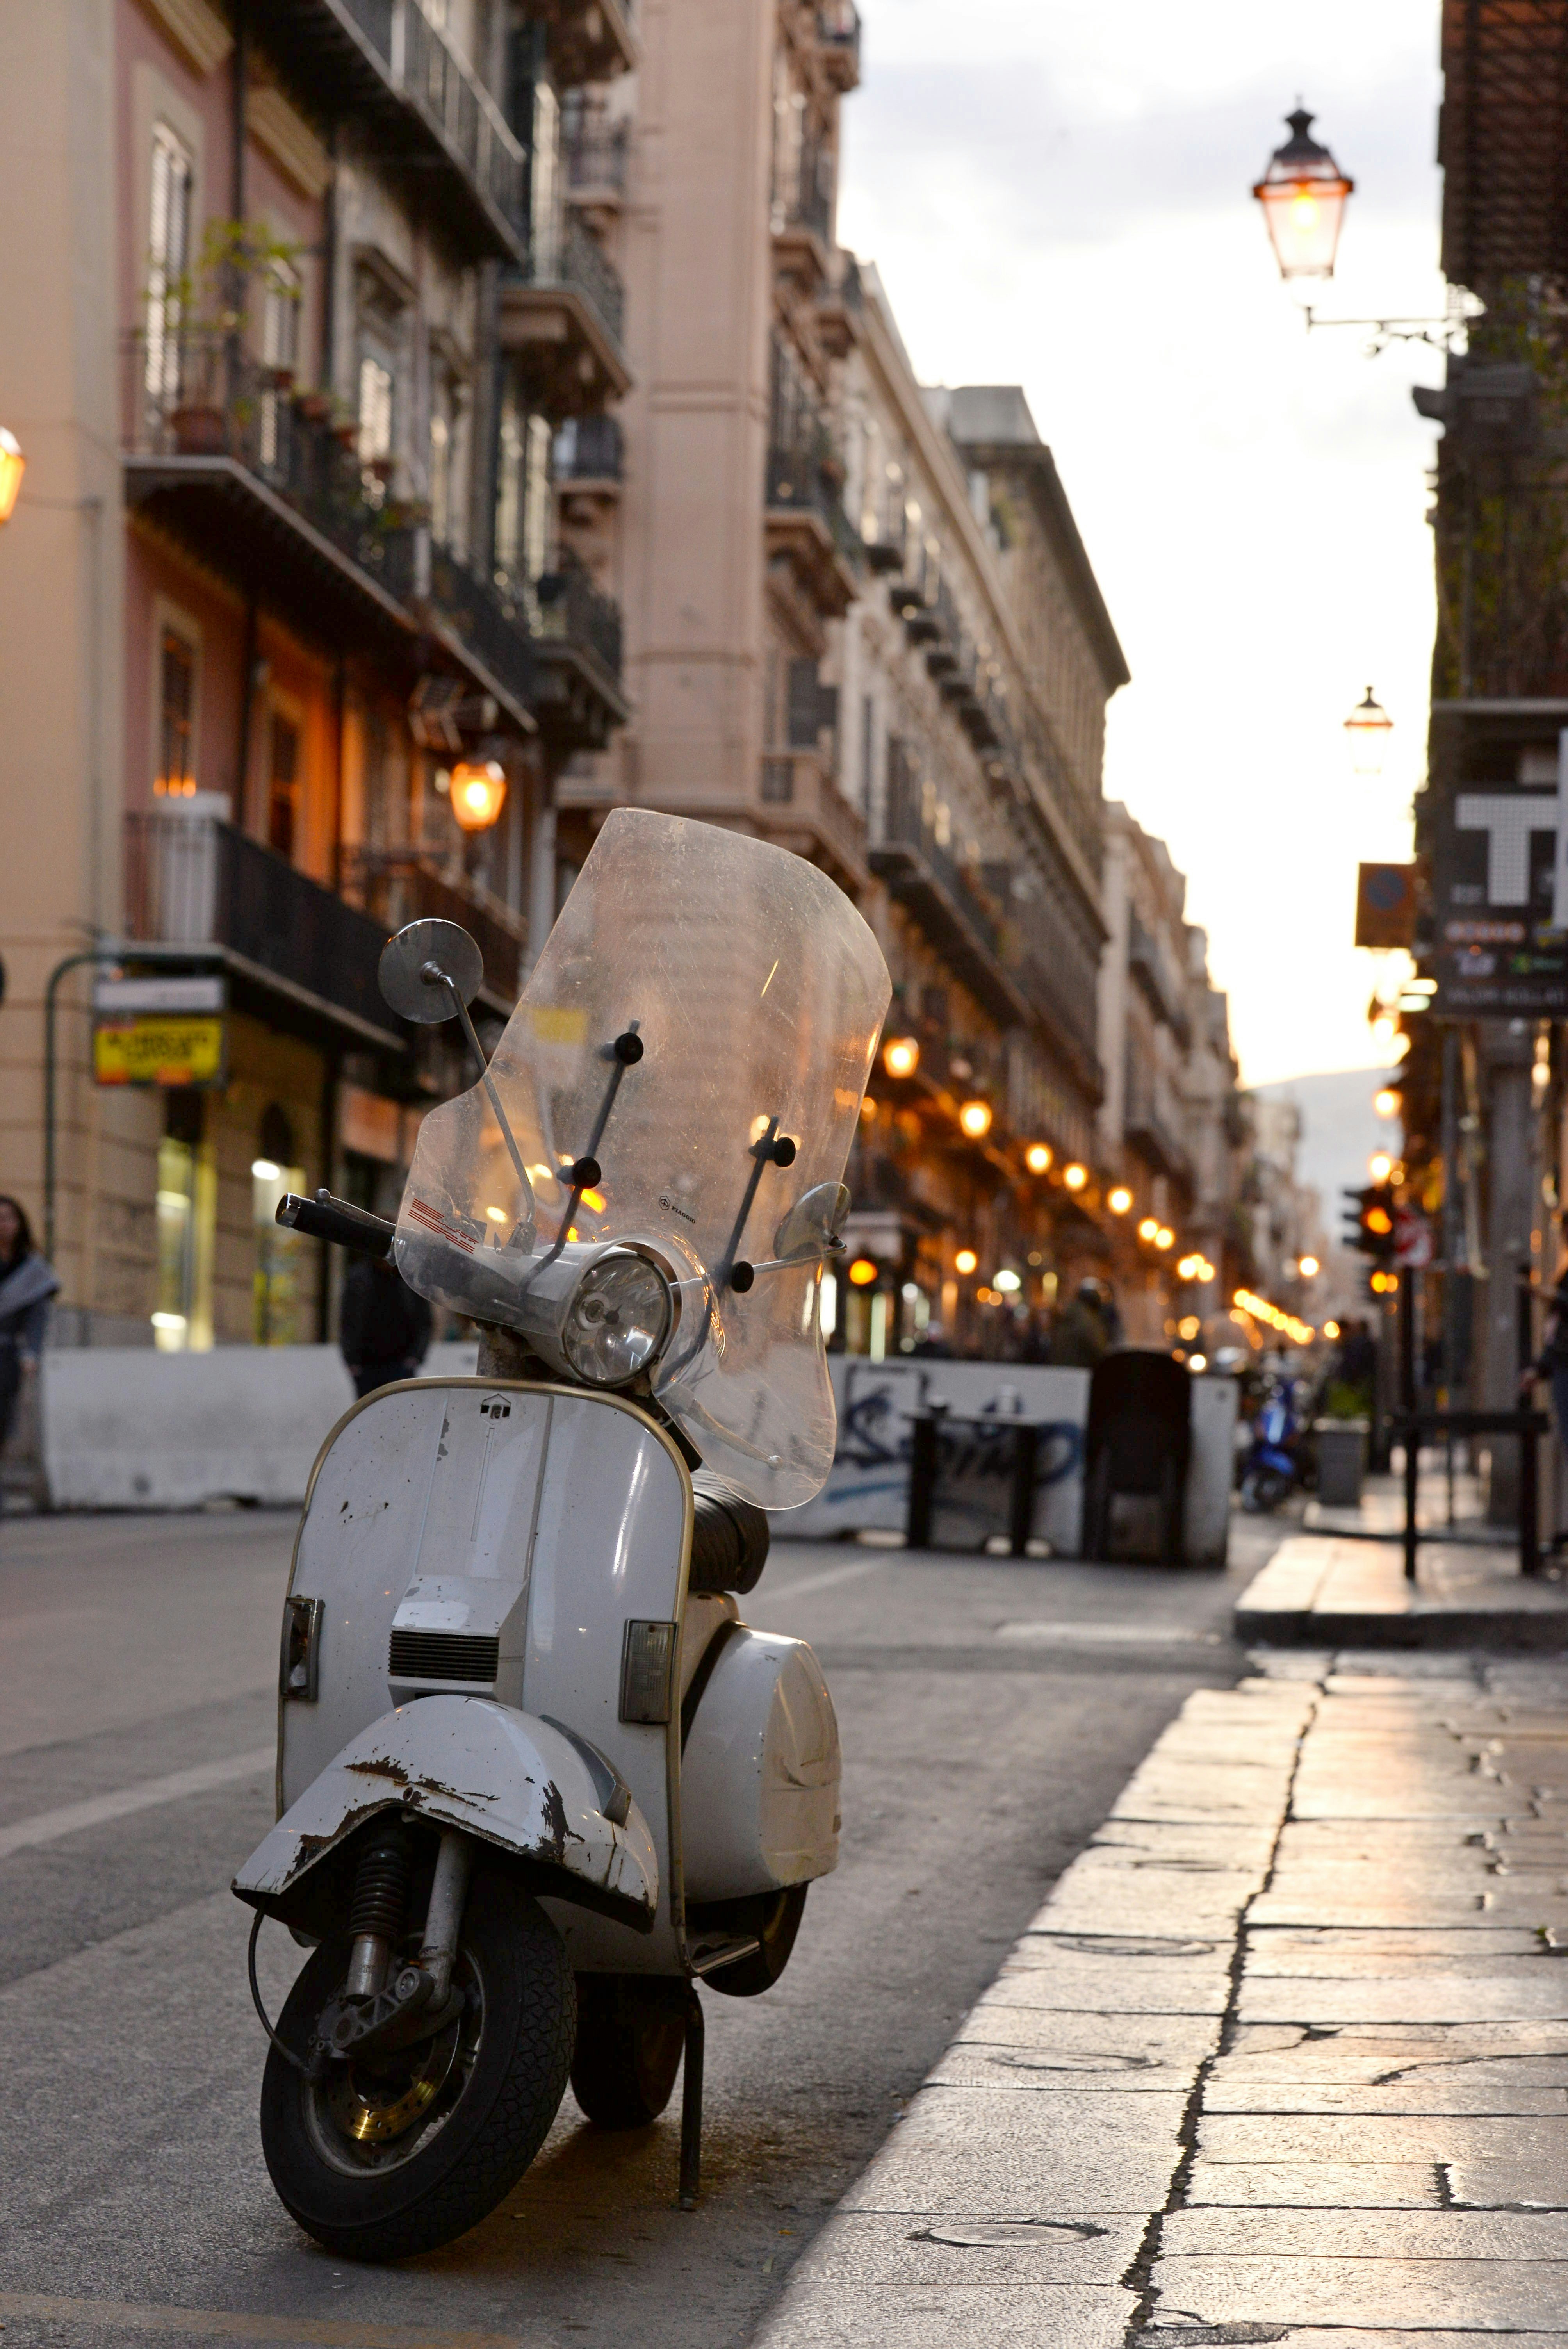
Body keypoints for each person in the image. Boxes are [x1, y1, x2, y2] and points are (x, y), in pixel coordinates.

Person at [0, 1196, 59, 1449]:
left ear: (19, 1224)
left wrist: (31, 1353)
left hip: (6, 1356)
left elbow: (38, 1317)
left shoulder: (32, 1269)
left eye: (8, 1219)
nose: (3, 1225)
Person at [340, 1249, 433, 1400]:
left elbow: (424, 1321)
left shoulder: (409, 1278)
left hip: (401, 1363)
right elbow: (348, 1321)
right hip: (367, 1364)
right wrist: (351, 1360)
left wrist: (416, 1356)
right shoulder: (360, 1278)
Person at [1048, 1276, 1112, 1368]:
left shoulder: (1073, 1313)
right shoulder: (1086, 1318)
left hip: (1065, 1369)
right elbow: (1097, 1348)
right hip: (1080, 1370)